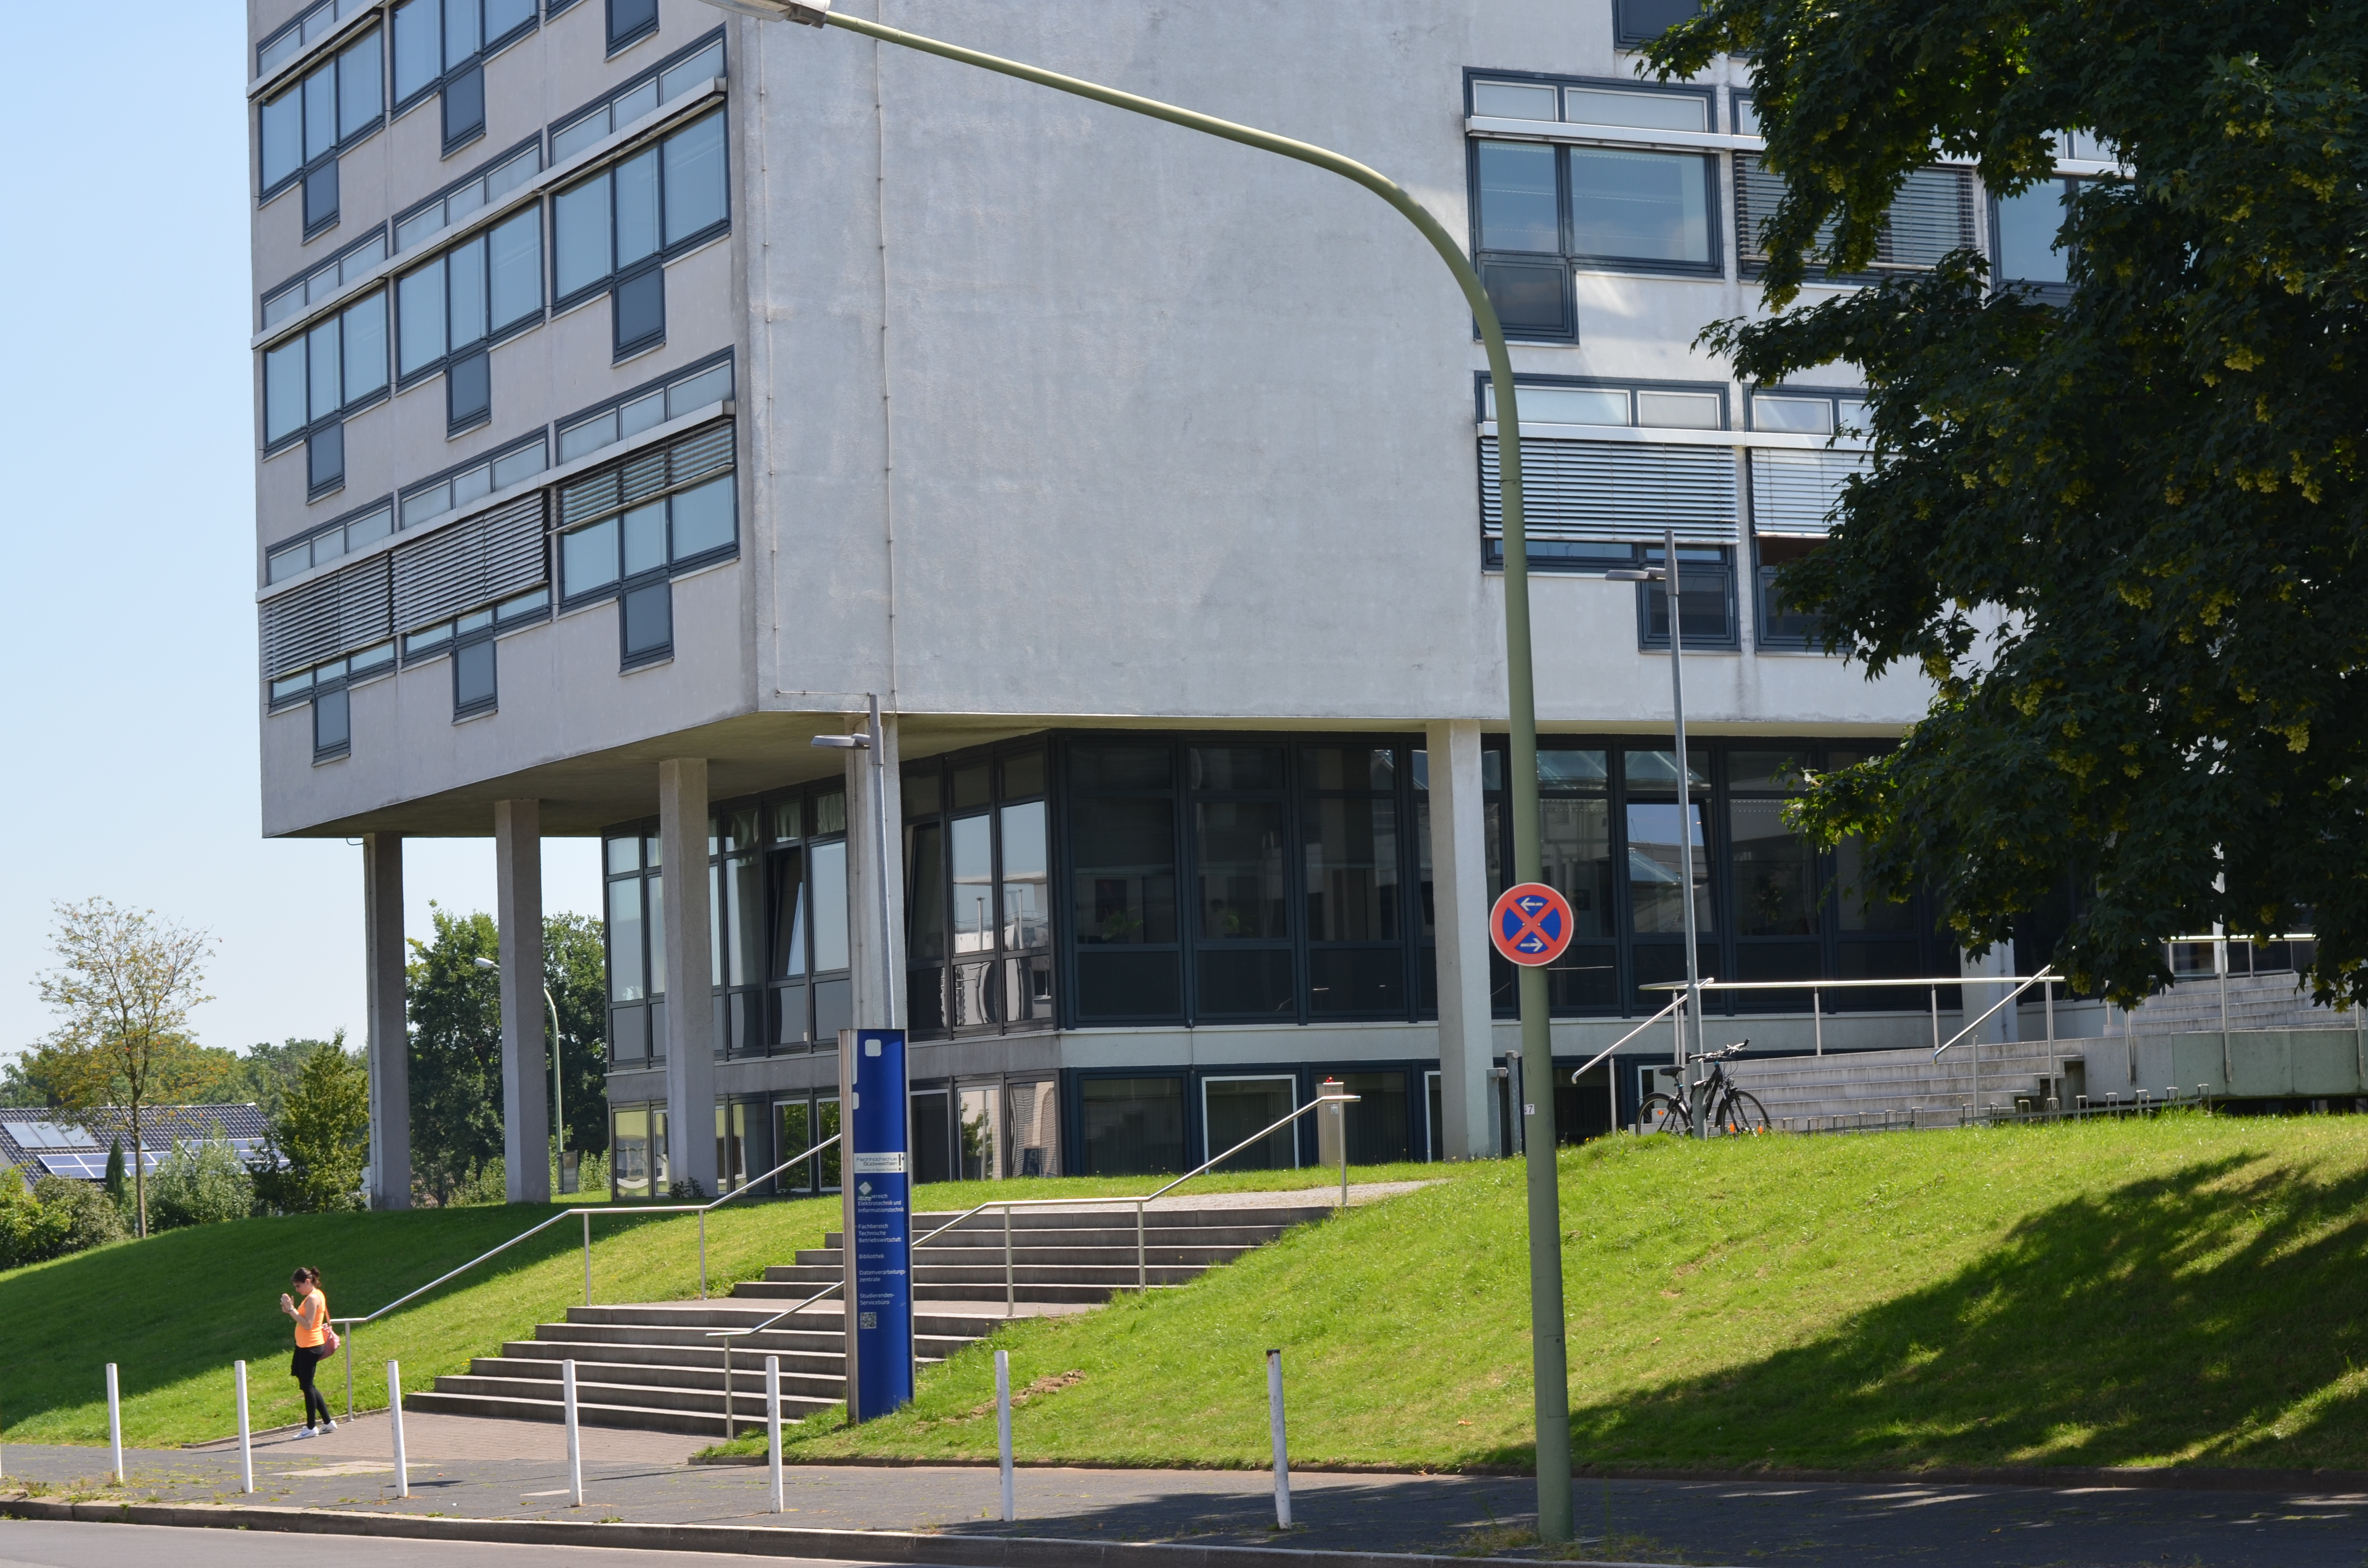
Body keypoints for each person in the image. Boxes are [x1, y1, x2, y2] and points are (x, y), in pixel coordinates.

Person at [279, 1266, 337, 1436]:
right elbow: (302, 1319)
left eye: (298, 1286)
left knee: (308, 1386)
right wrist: (290, 1311)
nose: (297, 1290)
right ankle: (327, 1422)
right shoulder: (314, 1296)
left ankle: (311, 1427)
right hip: (304, 1345)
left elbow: (308, 1324)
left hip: (310, 1347)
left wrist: (292, 1309)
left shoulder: (313, 1298)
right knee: (307, 1384)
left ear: (308, 1281)